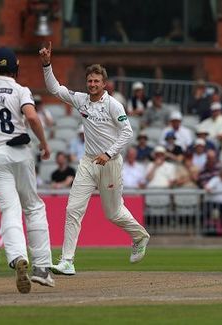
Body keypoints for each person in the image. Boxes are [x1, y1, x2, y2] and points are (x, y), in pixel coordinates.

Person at [39, 41, 150, 275]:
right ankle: (67, 261)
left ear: (104, 83)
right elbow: (55, 89)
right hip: (89, 162)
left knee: (113, 213)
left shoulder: (113, 105)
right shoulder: (81, 100)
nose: (92, 85)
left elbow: (128, 132)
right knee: (73, 209)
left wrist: (108, 153)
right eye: (89, 81)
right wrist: (47, 64)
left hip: (109, 163)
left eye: (96, 81)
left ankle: (140, 236)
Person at [0, 47, 55, 293]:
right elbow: (33, 118)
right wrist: (44, 145)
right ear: (15, 69)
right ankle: (42, 269)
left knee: (9, 209)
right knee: (33, 207)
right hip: (21, 151)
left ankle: (17, 257)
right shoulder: (20, 89)